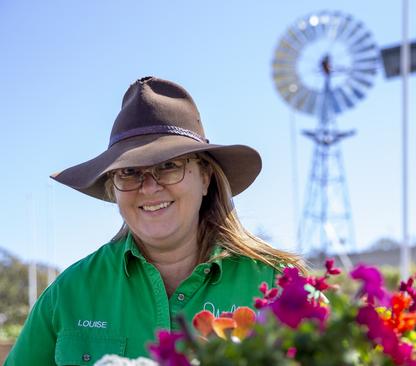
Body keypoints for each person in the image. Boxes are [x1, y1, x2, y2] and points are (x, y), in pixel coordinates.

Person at [4, 76, 304, 365]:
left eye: (169, 166)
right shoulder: (69, 293)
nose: (149, 187)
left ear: (205, 178)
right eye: (129, 172)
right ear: (113, 188)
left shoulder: (276, 282)